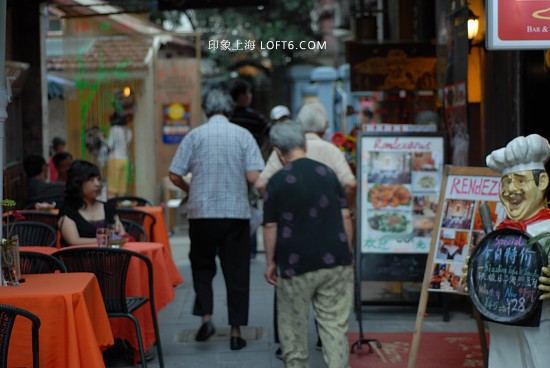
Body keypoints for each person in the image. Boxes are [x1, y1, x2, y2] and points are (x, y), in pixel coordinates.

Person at [168, 89, 264, 350]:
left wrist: (193, 190)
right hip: (235, 215)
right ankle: (235, 332)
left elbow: (175, 175)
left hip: (201, 214)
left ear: (206, 110)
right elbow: (255, 177)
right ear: (230, 110)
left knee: (202, 268)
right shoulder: (243, 135)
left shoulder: (194, 136)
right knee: (237, 273)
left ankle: (206, 319)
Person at [262, 122, 354, 368]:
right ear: (304, 144)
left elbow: (270, 226)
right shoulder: (328, 174)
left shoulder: (277, 181)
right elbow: (345, 215)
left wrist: (270, 262)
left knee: (293, 328)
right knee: (334, 327)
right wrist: (347, 252)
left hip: (294, 264)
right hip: (335, 260)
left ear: (279, 152)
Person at [476, 134, 550, 368]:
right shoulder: (500, 231)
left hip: (543, 324)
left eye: (520, 181)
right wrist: (477, 272)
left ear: (543, 182)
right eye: (506, 182)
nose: (511, 190)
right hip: (503, 321)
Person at [256, 102, 357, 207]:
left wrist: (277, 206)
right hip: (327, 216)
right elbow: (351, 184)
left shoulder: (285, 148)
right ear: (325, 126)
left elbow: (261, 185)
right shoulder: (331, 150)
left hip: (291, 216)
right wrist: (346, 208)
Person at [57, 160, 125, 247]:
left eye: (98, 179)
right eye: (91, 180)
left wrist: (113, 238)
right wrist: (106, 239)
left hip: (110, 258)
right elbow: (73, 241)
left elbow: (122, 235)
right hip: (78, 259)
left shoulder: (108, 208)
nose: (97, 184)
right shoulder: (68, 211)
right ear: (78, 183)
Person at [106, 111, 133, 198]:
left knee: (112, 187)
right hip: (125, 160)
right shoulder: (128, 131)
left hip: (114, 158)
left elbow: (110, 145)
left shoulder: (113, 129)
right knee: (122, 187)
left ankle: (111, 205)